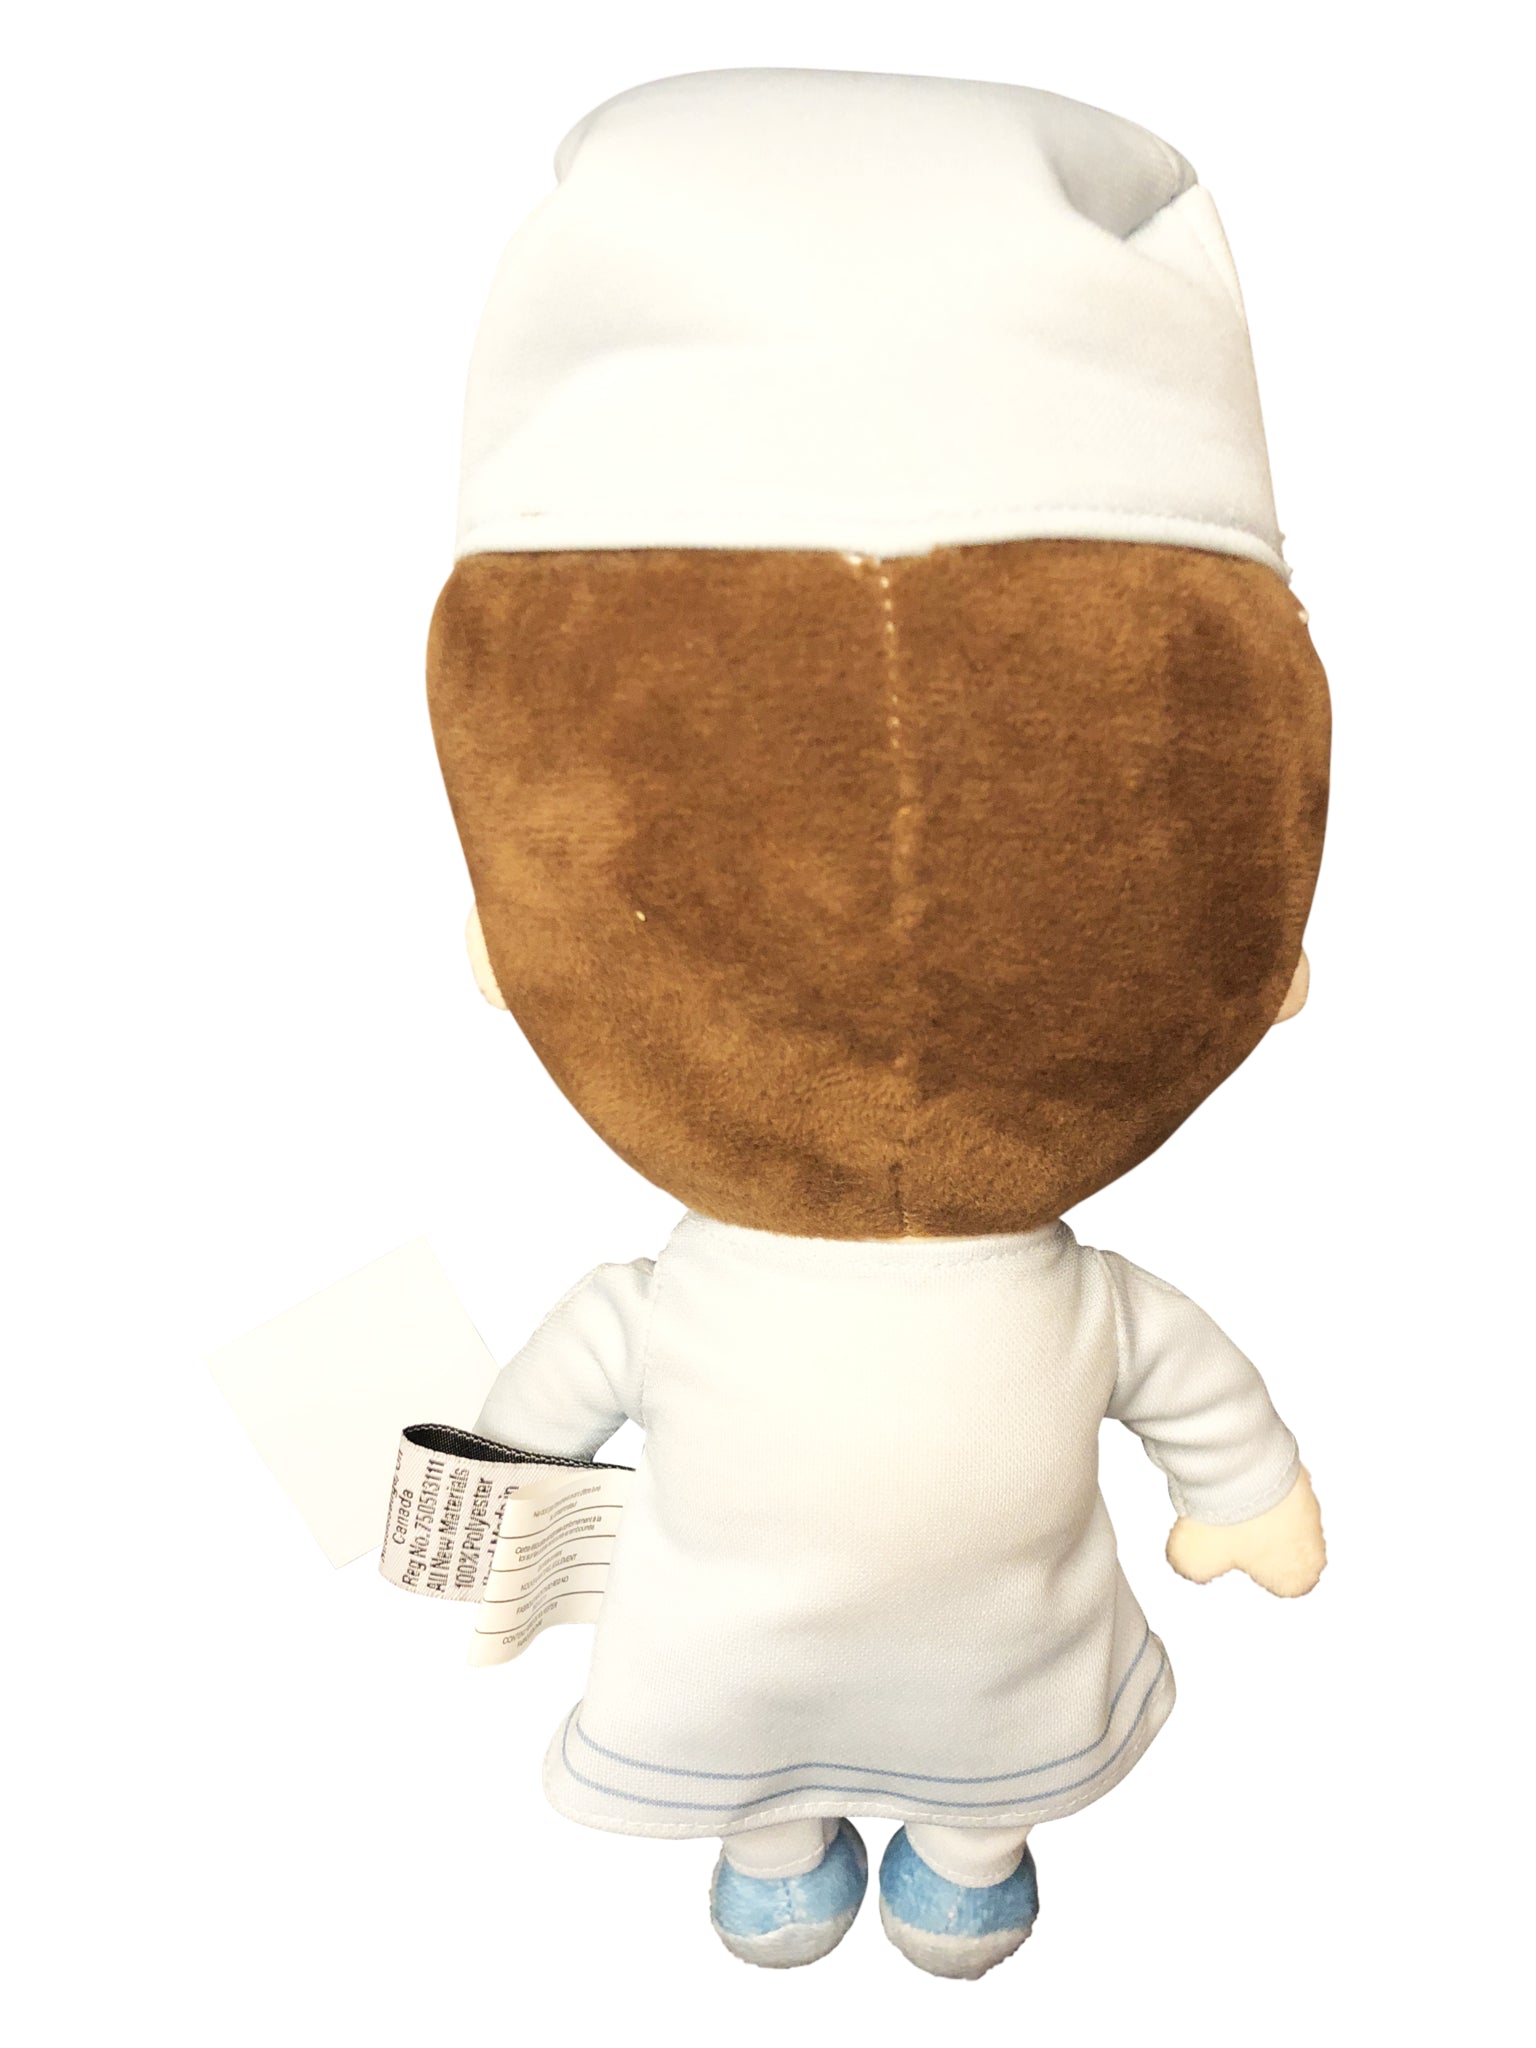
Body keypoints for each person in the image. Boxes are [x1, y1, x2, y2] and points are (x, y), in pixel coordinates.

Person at [428, 69, 1330, 1978]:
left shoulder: (679, 1300)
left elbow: (552, 1401)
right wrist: (1243, 1491)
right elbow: (1183, 1382)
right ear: (1271, 958)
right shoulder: (1070, 1299)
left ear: (508, 953)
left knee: (954, 1741)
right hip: (873, 1656)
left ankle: (955, 1847)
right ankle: (789, 1843)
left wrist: (470, 1535)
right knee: (794, 1743)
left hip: (905, 1657)